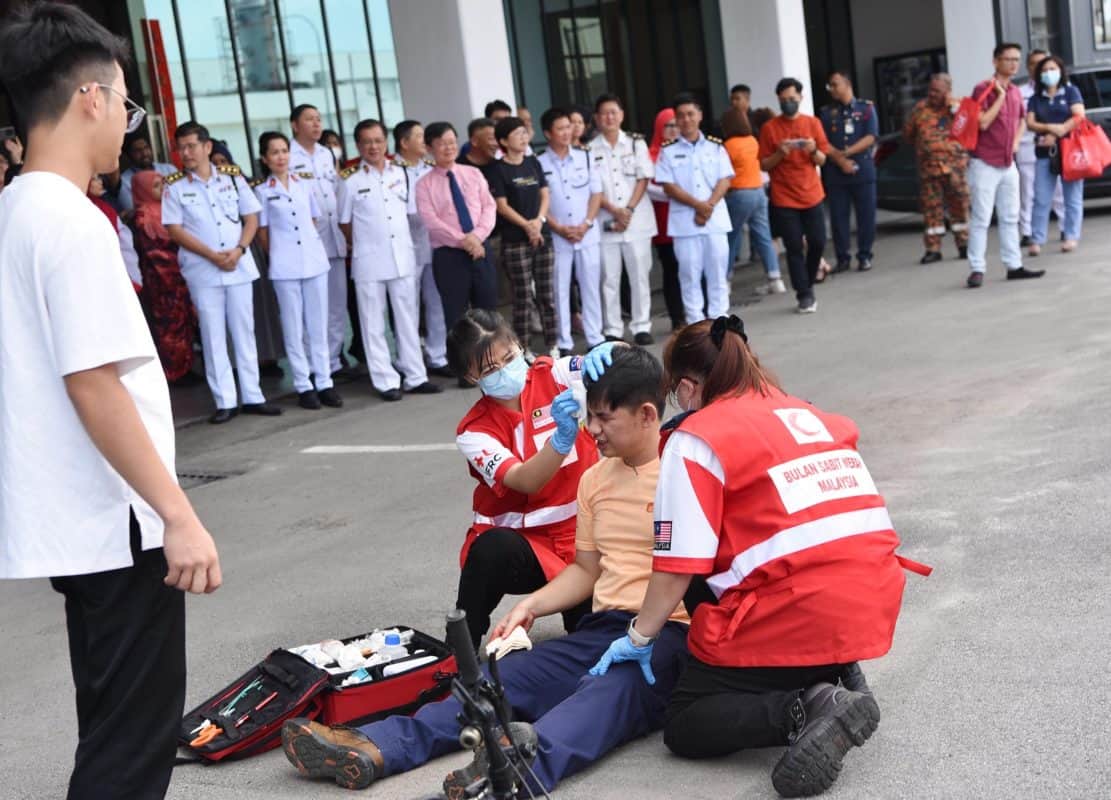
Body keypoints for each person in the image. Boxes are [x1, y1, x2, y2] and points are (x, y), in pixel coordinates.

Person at [280, 346, 689, 795]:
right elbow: (587, 570)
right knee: (502, 681)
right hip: (601, 630)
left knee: (601, 698)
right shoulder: (596, 479)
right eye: (589, 414)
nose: (591, 429)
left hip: (664, 638)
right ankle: (378, 745)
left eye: (603, 418)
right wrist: (531, 606)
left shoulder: (685, 473)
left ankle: (510, 776)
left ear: (648, 415)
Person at [0, 5, 222, 799]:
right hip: (115, 517)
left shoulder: (14, 212)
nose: (129, 124)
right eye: (127, 103)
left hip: (71, 520)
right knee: (133, 744)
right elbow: (93, 382)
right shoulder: (72, 221)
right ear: (90, 97)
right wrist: (177, 515)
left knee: (109, 718)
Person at [590, 315, 928, 798]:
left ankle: (808, 704)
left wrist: (638, 637)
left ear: (687, 387)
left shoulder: (697, 439)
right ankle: (834, 668)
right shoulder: (805, 411)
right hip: (871, 592)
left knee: (684, 720)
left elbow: (675, 567)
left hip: (800, 608)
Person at [451, 310, 601, 647]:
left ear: (520, 346)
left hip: (587, 537)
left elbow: (604, 361)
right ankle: (460, 651)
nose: (504, 371)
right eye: (490, 369)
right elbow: (524, 480)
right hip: (527, 545)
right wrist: (560, 441)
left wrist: (609, 353)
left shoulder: (554, 374)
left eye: (509, 357)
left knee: (591, 638)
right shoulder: (474, 431)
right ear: (471, 376)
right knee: (489, 550)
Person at [162, 121, 282, 423]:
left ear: (207, 147)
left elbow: (251, 217)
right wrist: (212, 256)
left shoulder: (232, 178)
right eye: (181, 148)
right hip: (204, 269)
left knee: (244, 330)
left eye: (191, 146)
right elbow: (174, 229)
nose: (186, 153)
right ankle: (225, 400)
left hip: (238, 265)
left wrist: (240, 249)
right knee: (213, 335)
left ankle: (253, 395)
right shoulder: (174, 186)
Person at [338, 119, 441, 402]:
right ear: (358, 146)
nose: (373, 146)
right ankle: (385, 381)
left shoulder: (401, 174)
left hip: (403, 257)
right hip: (369, 261)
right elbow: (344, 224)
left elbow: (409, 214)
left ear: (386, 143)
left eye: (378, 140)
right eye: (367, 142)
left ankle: (415, 375)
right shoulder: (351, 181)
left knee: (408, 319)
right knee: (373, 323)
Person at [254, 131, 343, 410]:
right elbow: (263, 233)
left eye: (284, 151)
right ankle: (304, 385)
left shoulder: (304, 184)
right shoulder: (262, 191)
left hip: (314, 260)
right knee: (294, 328)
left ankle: (325, 381)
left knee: (318, 325)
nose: (281, 157)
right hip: (285, 265)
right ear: (265, 159)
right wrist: (282, 254)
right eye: (275, 152)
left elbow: (314, 218)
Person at [965, 43, 1044, 288]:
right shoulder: (983, 88)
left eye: (1016, 59)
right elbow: (983, 123)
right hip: (984, 162)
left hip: (1007, 162)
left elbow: (1021, 119)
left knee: (1010, 217)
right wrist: (999, 95)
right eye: (1008, 59)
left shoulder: (1016, 92)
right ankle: (977, 268)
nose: (1013, 63)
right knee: (981, 218)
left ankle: (1014, 265)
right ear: (995, 61)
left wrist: (1017, 142)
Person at [655, 92, 734, 325]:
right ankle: (696, 325)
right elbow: (668, 186)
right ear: (676, 120)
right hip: (685, 224)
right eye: (681, 116)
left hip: (715, 220)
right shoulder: (667, 151)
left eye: (691, 114)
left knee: (718, 274)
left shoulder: (715, 146)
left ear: (699, 115)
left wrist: (707, 206)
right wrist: (698, 206)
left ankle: (721, 322)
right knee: (689, 276)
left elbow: (725, 180)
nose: (686, 119)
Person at [416, 121, 499, 341]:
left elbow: (489, 207)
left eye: (452, 142)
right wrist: (465, 241)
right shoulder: (423, 184)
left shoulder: (473, 173)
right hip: (449, 256)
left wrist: (477, 237)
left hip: (481, 250)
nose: (448, 147)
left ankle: (496, 368)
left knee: (489, 315)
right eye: (441, 143)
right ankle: (466, 373)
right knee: (457, 319)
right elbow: (431, 221)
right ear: (429, 148)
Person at [758, 77, 830, 313]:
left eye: (792, 98)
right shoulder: (770, 128)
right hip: (784, 197)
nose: (788, 103)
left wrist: (812, 150)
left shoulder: (813, 123)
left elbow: (822, 159)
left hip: (812, 193)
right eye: (783, 100)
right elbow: (764, 165)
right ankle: (804, 294)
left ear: (800, 97)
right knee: (794, 246)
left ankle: (808, 280)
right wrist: (780, 153)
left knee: (818, 241)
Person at [591, 92, 658, 345]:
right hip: (606, 220)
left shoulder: (635, 143)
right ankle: (613, 329)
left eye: (614, 112)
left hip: (637, 220)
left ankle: (641, 325)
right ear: (597, 118)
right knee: (609, 277)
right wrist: (614, 209)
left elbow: (643, 178)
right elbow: (592, 186)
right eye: (604, 113)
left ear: (621, 115)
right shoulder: (590, 149)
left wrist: (627, 210)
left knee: (640, 274)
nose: (609, 117)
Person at [289, 104, 350, 378]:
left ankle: (333, 362)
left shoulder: (327, 154)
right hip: (307, 242)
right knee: (310, 311)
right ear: (294, 125)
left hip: (333, 237)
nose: (316, 124)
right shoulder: (288, 155)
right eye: (309, 119)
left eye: (318, 118)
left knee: (336, 306)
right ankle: (314, 366)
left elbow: (336, 190)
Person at [538, 106, 605, 356]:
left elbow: (596, 193)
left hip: (586, 232)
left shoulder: (585, 156)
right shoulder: (539, 162)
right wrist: (557, 227)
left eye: (569, 127)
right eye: (560, 128)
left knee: (590, 285)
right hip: (558, 235)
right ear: (548, 133)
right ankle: (564, 341)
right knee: (559, 288)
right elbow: (540, 201)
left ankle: (595, 336)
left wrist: (586, 223)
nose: (566, 132)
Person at [488, 115, 557, 356]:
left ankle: (553, 344)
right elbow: (502, 206)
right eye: (517, 134)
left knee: (547, 294)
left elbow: (545, 194)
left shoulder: (532, 162)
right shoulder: (498, 169)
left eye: (524, 133)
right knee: (523, 296)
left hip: (542, 235)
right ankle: (523, 347)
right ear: (504, 141)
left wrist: (538, 221)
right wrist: (527, 226)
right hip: (516, 240)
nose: (524, 137)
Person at [393, 119, 452, 377]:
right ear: (404, 143)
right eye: (419, 136)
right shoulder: (394, 170)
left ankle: (437, 355)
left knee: (436, 300)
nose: (423, 140)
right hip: (407, 247)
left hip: (433, 242)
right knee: (408, 305)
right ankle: (409, 358)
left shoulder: (430, 168)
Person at [132, 170, 198, 382]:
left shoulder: (166, 209)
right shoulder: (144, 216)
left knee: (183, 324)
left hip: (178, 277)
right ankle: (175, 372)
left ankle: (185, 368)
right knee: (170, 327)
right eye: (155, 186)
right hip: (163, 282)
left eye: (163, 184)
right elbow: (154, 253)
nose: (162, 189)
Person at [903, 73, 971, 263]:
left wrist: (954, 110)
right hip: (929, 169)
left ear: (947, 91)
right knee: (932, 210)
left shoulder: (959, 107)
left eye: (937, 91)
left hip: (955, 169)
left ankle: (964, 244)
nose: (932, 94)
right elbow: (908, 135)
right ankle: (933, 249)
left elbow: (969, 132)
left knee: (960, 206)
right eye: (930, 89)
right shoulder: (919, 110)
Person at [1025, 55, 1086, 256]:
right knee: (1041, 197)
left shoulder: (1070, 91)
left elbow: (1078, 115)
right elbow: (1030, 123)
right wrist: (1049, 128)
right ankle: (1037, 238)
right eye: (1044, 70)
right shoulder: (1036, 98)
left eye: (1052, 69)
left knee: (1072, 197)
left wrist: (1059, 131)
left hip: (1070, 151)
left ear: (1060, 71)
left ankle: (1071, 236)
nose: (1048, 73)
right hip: (1045, 152)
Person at [819, 70, 878, 273]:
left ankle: (865, 255)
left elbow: (871, 137)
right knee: (838, 218)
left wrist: (848, 152)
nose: (832, 89)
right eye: (830, 86)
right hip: (837, 172)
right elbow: (823, 142)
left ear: (847, 84)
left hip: (862, 170)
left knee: (866, 216)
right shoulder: (827, 113)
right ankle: (842, 258)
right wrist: (840, 159)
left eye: (835, 84)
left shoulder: (866, 108)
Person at [721, 108, 784, 294]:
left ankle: (725, 281)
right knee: (764, 236)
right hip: (759, 191)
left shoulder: (728, 146)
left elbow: (724, 173)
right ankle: (775, 278)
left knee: (731, 238)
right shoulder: (753, 141)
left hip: (739, 193)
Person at [1017, 49, 1064, 245]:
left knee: (1058, 190)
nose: (1039, 67)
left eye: (1043, 63)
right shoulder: (1020, 92)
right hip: (1027, 146)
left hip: (1054, 146)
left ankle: (1064, 227)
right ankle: (1027, 232)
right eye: (1034, 64)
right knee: (1027, 191)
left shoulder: (1061, 90)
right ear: (1028, 67)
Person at [648, 108, 686, 330]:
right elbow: (652, 188)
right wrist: (680, 193)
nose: (673, 130)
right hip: (664, 222)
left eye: (676, 125)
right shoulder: (652, 154)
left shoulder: (686, 149)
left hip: (688, 219)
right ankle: (677, 318)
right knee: (672, 270)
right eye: (668, 126)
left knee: (690, 269)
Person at [117, 132, 176, 212]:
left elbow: (183, 194)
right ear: (128, 155)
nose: (144, 153)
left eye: (146, 148)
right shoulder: (124, 182)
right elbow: (136, 211)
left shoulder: (169, 169)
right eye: (137, 151)